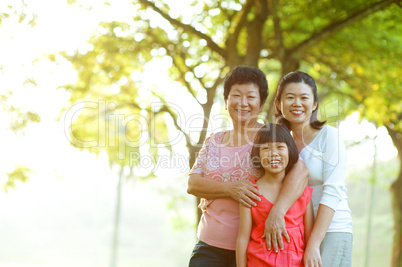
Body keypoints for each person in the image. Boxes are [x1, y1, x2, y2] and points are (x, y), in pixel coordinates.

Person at [187, 66, 308, 267]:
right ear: (226, 101)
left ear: (261, 104)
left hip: (255, 251)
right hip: (208, 248)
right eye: (236, 95)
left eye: (251, 97)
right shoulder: (213, 141)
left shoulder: (272, 138)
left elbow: (300, 172)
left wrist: (278, 211)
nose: (243, 103)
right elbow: (193, 183)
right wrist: (231, 189)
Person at [274, 71, 353, 267]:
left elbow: (333, 191)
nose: (297, 103)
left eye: (304, 97)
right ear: (278, 103)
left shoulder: (329, 136)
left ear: (315, 104)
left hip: (332, 230)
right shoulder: (281, 144)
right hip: (298, 231)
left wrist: (314, 244)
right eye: (290, 97)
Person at [236, 123, 314, 267]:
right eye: (266, 148)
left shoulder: (302, 191)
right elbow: (242, 238)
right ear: (257, 154)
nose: (273, 153)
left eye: (280, 147)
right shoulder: (251, 191)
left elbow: (309, 235)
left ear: (290, 151)